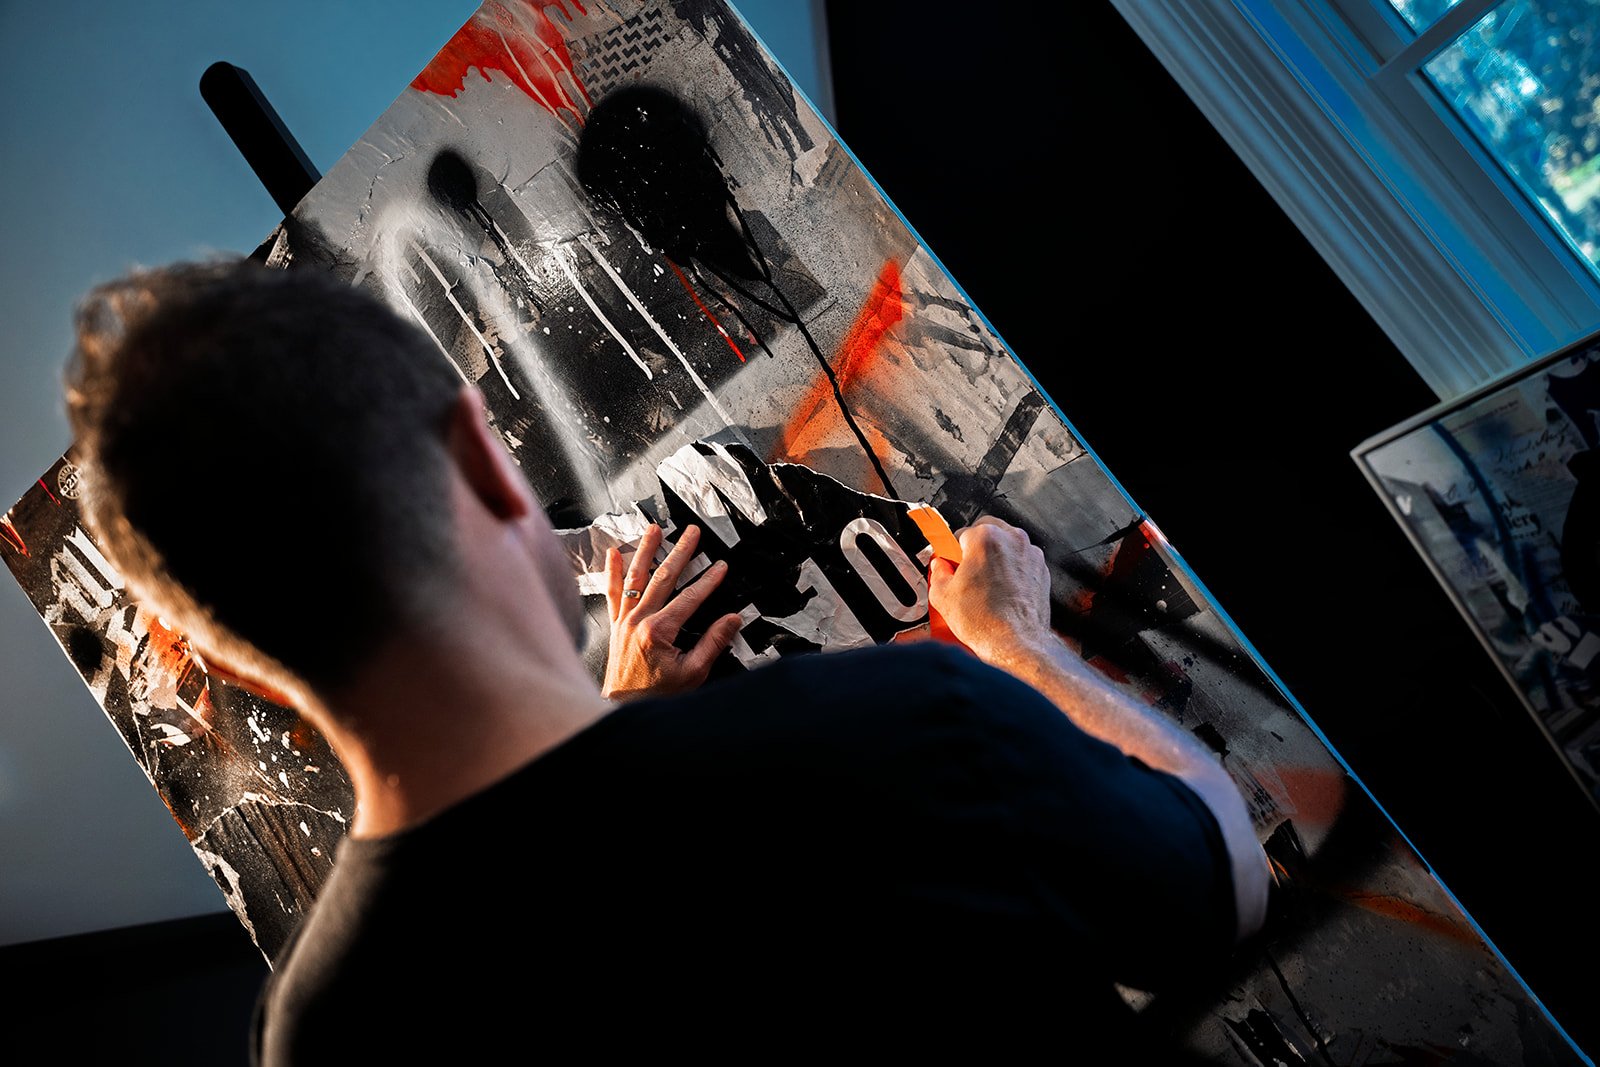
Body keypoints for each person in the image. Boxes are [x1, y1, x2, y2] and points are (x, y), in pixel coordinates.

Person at [66, 260, 1268, 1059]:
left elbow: (579, 899)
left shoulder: (322, 1028)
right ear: (483, 461)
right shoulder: (901, 722)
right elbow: (1219, 878)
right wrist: (1021, 647)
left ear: (235, 665)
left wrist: (616, 723)